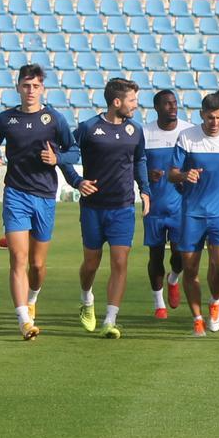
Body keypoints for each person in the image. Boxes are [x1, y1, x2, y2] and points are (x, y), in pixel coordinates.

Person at [0, 64, 78, 339]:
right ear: (18, 87)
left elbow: (73, 150)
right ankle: (23, 319)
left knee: (37, 264)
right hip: (15, 193)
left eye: (36, 86)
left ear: (42, 89)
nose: (31, 90)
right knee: (18, 258)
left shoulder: (54, 119)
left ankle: (32, 298)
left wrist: (57, 159)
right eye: (26, 85)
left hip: (45, 196)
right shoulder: (5, 119)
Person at [61, 77, 151, 338]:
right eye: (132, 100)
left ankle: (110, 320)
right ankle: (86, 299)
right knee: (91, 263)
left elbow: (140, 160)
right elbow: (65, 156)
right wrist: (77, 182)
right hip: (93, 208)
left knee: (120, 262)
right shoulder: (88, 128)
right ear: (116, 102)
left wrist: (144, 190)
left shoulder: (135, 130)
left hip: (123, 208)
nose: (135, 105)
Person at [168, 92, 219, 337]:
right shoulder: (187, 137)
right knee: (190, 270)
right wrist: (184, 175)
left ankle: (215, 302)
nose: (215, 123)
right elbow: (172, 173)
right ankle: (197, 319)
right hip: (192, 214)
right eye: (210, 118)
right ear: (201, 115)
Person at [141, 89, 193, 319]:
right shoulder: (145, 133)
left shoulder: (188, 132)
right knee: (155, 255)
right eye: (167, 104)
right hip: (154, 206)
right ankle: (158, 303)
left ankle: (174, 278)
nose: (173, 107)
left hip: (181, 205)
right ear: (156, 108)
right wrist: (145, 175)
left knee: (181, 254)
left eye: (174, 103)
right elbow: (136, 165)